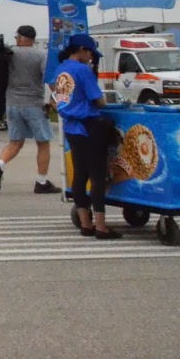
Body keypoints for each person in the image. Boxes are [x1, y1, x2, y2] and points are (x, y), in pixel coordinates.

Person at [54, 33, 120, 238]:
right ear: (81, 50)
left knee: (80, 175)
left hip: (71, 128)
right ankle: (101, 226)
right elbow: (98, 101)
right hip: (89, 126)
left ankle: (85, 224)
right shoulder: (83, 70)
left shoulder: (61, 69)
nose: (92, 56)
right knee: (97, 176)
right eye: (90, 51)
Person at [0, 24, 59, 194]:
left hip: (12, 103)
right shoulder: (41, 55)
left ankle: (0, 165)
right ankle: (41, 182)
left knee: (15, 142)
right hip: (34, 104)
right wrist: (57, 97)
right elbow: (49, 79)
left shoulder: (6, 54)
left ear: (19, 38)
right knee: (43, 143)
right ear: (33, 39)